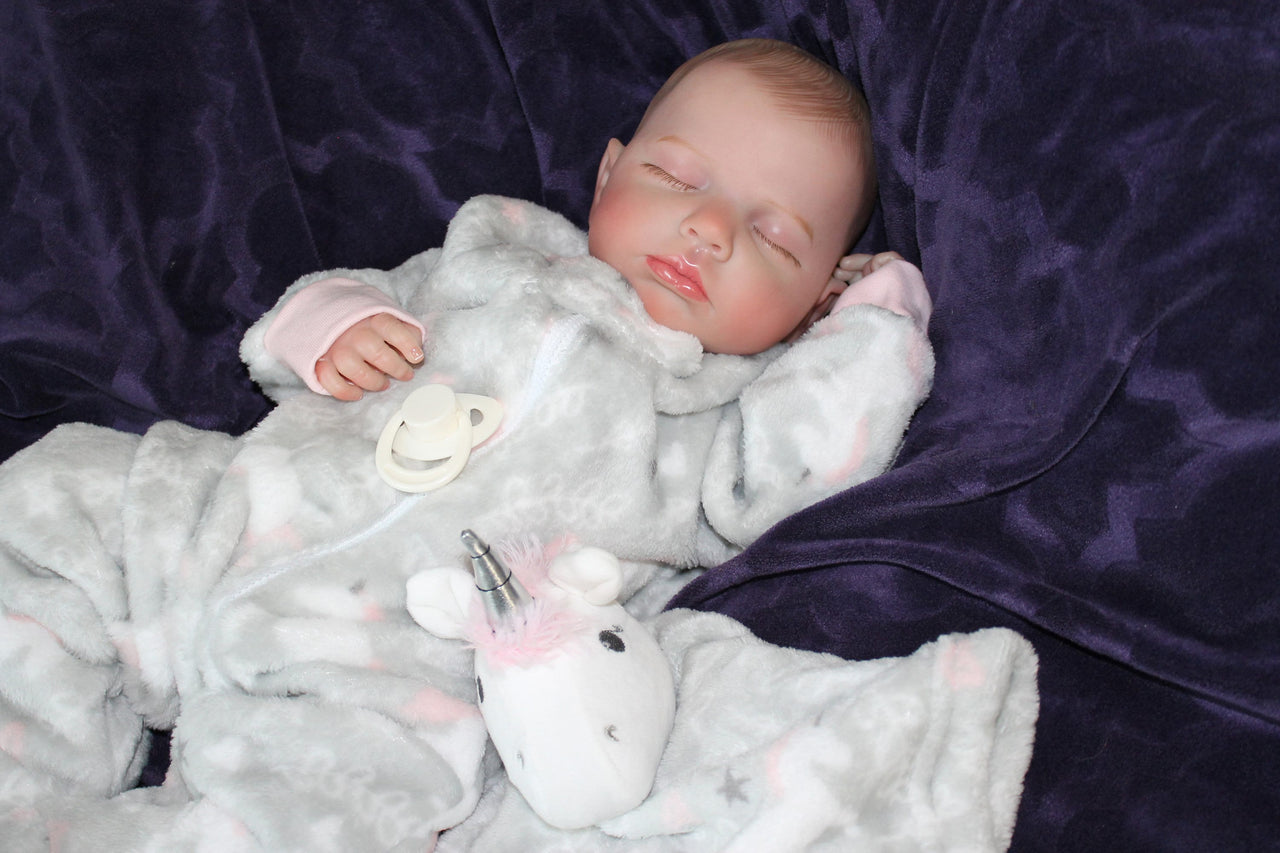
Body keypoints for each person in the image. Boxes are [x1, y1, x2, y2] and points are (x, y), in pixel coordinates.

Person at [0, 39, 935, 849]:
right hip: (228, 514)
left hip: (387, 668)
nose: (710, 227)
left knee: (330, 812)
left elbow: (810, 464)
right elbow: (335, 313)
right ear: (609, 173)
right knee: (53, 503)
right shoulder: (495, 250)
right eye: (679, 177)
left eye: (774, 236)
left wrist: (876, 328)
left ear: (815, 299)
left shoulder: (720, 413)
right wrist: (329, 325)